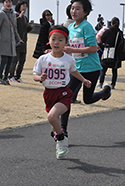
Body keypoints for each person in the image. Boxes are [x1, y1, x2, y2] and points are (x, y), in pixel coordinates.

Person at [33, 25, 91, 159]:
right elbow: (35, 74)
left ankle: (61, 140)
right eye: (54, 39)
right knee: (54, 122)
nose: (56, 42)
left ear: (66, 42)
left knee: (52, 117)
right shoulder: (43, 59)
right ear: (49, 40)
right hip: (49, 94)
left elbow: (73, 71)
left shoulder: (68, 59)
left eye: (60, 40)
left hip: (64, 93)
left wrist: (84, 80)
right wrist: (39, 78)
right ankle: (58, 135)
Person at [61, 0, 112, 137]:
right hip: (76, 69)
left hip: (91, 69)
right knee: (67, 97)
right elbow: (69, 45)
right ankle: (63, 129)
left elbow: (93, 48)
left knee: (87, 99)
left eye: (78, 9)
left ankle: (105, 91)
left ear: (85, 12)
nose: (74, 11)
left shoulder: (87, 27)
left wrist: (73, 50)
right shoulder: (71, 27)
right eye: (72, 8)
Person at [0, 0, 23, 85]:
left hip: (11, 42)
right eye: (6, 2)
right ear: (3, 3)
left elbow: (15, 29)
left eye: (10, 2)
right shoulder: (1, 13)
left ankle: (5, 78)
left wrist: (19, 39)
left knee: (9, 61)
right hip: (3, 42)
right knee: (4, 61)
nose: (8, 4)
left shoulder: (13, 14)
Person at [8, 0, 34, 83]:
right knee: (14, 60)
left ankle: (17, 76)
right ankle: (10, 76)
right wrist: (19, 17)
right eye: (23, 6)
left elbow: (25, 30)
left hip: (24, 42)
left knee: (22, 60)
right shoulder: (14, 15)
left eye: (25, 6)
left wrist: (30, 27)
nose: (25, 8)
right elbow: (12, 25)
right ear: (18, 6)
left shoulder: (25, 18)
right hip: (16, 41)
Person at [97, 17, 122, 89]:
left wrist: (102, 46)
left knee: (103, 69)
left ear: (111, 23)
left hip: (107, 53)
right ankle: (113, 84)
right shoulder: (120, 33)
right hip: (116, 55)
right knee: (114, 70)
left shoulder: (107, 31)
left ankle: (100, 83)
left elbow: (102, 41)